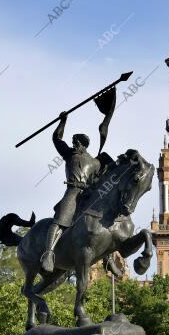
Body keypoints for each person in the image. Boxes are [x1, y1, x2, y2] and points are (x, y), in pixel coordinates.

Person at [41, 112, 100, 272]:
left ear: (82, 144)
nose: (73, 145)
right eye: (73, 142)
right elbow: (56, 139)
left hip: (87, 196)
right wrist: (63, 121)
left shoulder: (95, 163)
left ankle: (108, 259)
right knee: (59, 221)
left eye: (76, 142)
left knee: (102, 223)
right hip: (72, 192)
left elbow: (97, 181)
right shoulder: (69, 155)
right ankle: (48, 253)